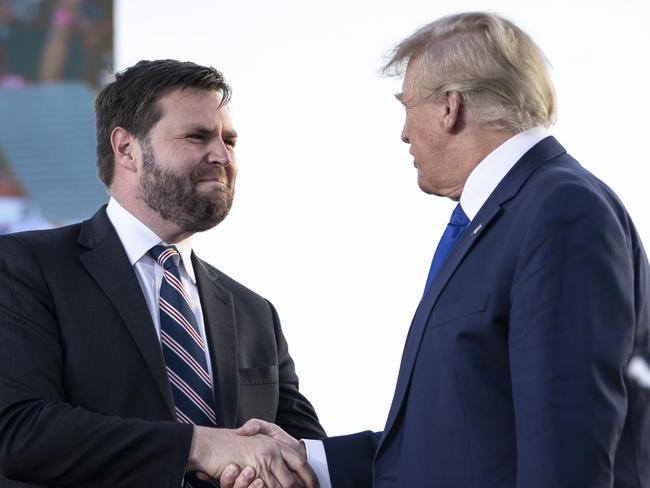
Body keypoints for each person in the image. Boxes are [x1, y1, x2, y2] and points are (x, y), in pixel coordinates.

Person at [229, 11, 650, 488]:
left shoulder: (561, 209)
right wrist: (307, 459)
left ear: (451, 107)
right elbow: (457, 442)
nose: (404, 134)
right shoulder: (508, 214)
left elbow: (568, 443)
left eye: (406, 106)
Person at [0, 59, 325, 487]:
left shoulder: (254, 313)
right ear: (126, 148)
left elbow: (307, 453)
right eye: (198, 136)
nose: (222, 156)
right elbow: (20, 432)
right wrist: (201, 446)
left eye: (229, 140)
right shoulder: (25, 267)